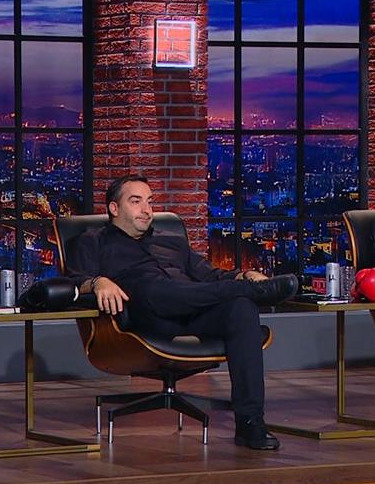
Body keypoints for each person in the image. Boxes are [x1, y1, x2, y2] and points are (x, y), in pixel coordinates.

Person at [66, 174, 299, 450]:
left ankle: (250, 422)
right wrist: (97, 282)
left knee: (241, 307)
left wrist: (243, 275)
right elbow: (72, 282)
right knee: (153, 288)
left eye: (149, 202)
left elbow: (210, 276)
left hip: (192, 309)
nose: (146, 209)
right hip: (147, 317)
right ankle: (254, 292)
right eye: (136, 201)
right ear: (114, 208)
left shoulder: (172, 242)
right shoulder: (92, 241)